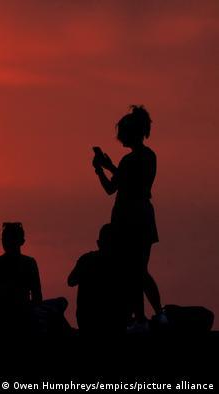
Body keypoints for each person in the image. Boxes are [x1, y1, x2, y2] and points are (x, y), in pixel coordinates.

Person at [92, 105, 165, 331]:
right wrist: (109, 167)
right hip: (143, 215)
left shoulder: (129, 161)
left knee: (132, 271)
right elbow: (127, 181)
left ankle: (142, 318)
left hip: (128, 217)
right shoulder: (149, 157)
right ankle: (156, 314)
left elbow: (112, 188)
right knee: (139, 269)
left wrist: (101, 170)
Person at [0, 222, 68, 334]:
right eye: (5, 239)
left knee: (61, 302)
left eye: (9, 239)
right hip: (18, 313)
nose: (7, 242)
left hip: (13, 312)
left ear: (20, 241)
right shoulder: (28, 263)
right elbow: (37, 296)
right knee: (59, 303)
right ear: (22, 241)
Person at [68, 224, 127, 335]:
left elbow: (71, 281)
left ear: (99, 243)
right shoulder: (121, 264)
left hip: (87, 319)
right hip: (113, 320)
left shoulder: (86, 259)